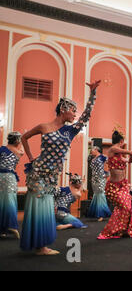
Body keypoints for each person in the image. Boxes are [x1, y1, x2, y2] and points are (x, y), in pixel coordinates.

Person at [20, 80, 100, 255]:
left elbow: (86, 116)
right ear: (63, 109)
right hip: (37, 173)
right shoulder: (44, 126)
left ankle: (40, 246)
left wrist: (92, 93)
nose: (74, 114)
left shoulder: (69, 132)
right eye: (72, 111)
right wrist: (31, 157)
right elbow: (24, 137)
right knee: (37, 208)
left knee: (45, 208)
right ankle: (39, 247)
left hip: (51, 177)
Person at [98, 129, 132, 239]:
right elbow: (131, 153)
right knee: (125, 207)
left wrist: (129, 160)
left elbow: (127, 159)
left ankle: (124, 230)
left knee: (126, 208)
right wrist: (130, 157)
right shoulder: (113, 149)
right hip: (113, 187)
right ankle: (110, 231)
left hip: (123, 186)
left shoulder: (118, 155)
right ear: (121, 141)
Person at [0, 132, 24, 238]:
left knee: (1, 201)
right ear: (17, 141)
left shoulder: (1, 149)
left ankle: (2, 229)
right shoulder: (18, 152)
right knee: (10, 201)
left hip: (0, 177)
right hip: (9, 178)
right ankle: (11, 226)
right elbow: (22, 151)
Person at [87, 146, 111, 221]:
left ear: (96, 150)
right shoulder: (92, 158)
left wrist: (107, 174)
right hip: (94, 178)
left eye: (92, 150)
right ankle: (95, 213)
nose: (91, 151)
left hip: (100, 178)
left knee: (100, 193)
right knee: (96, 194)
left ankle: (102, 214)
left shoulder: (102, 157)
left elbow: (110, 163)